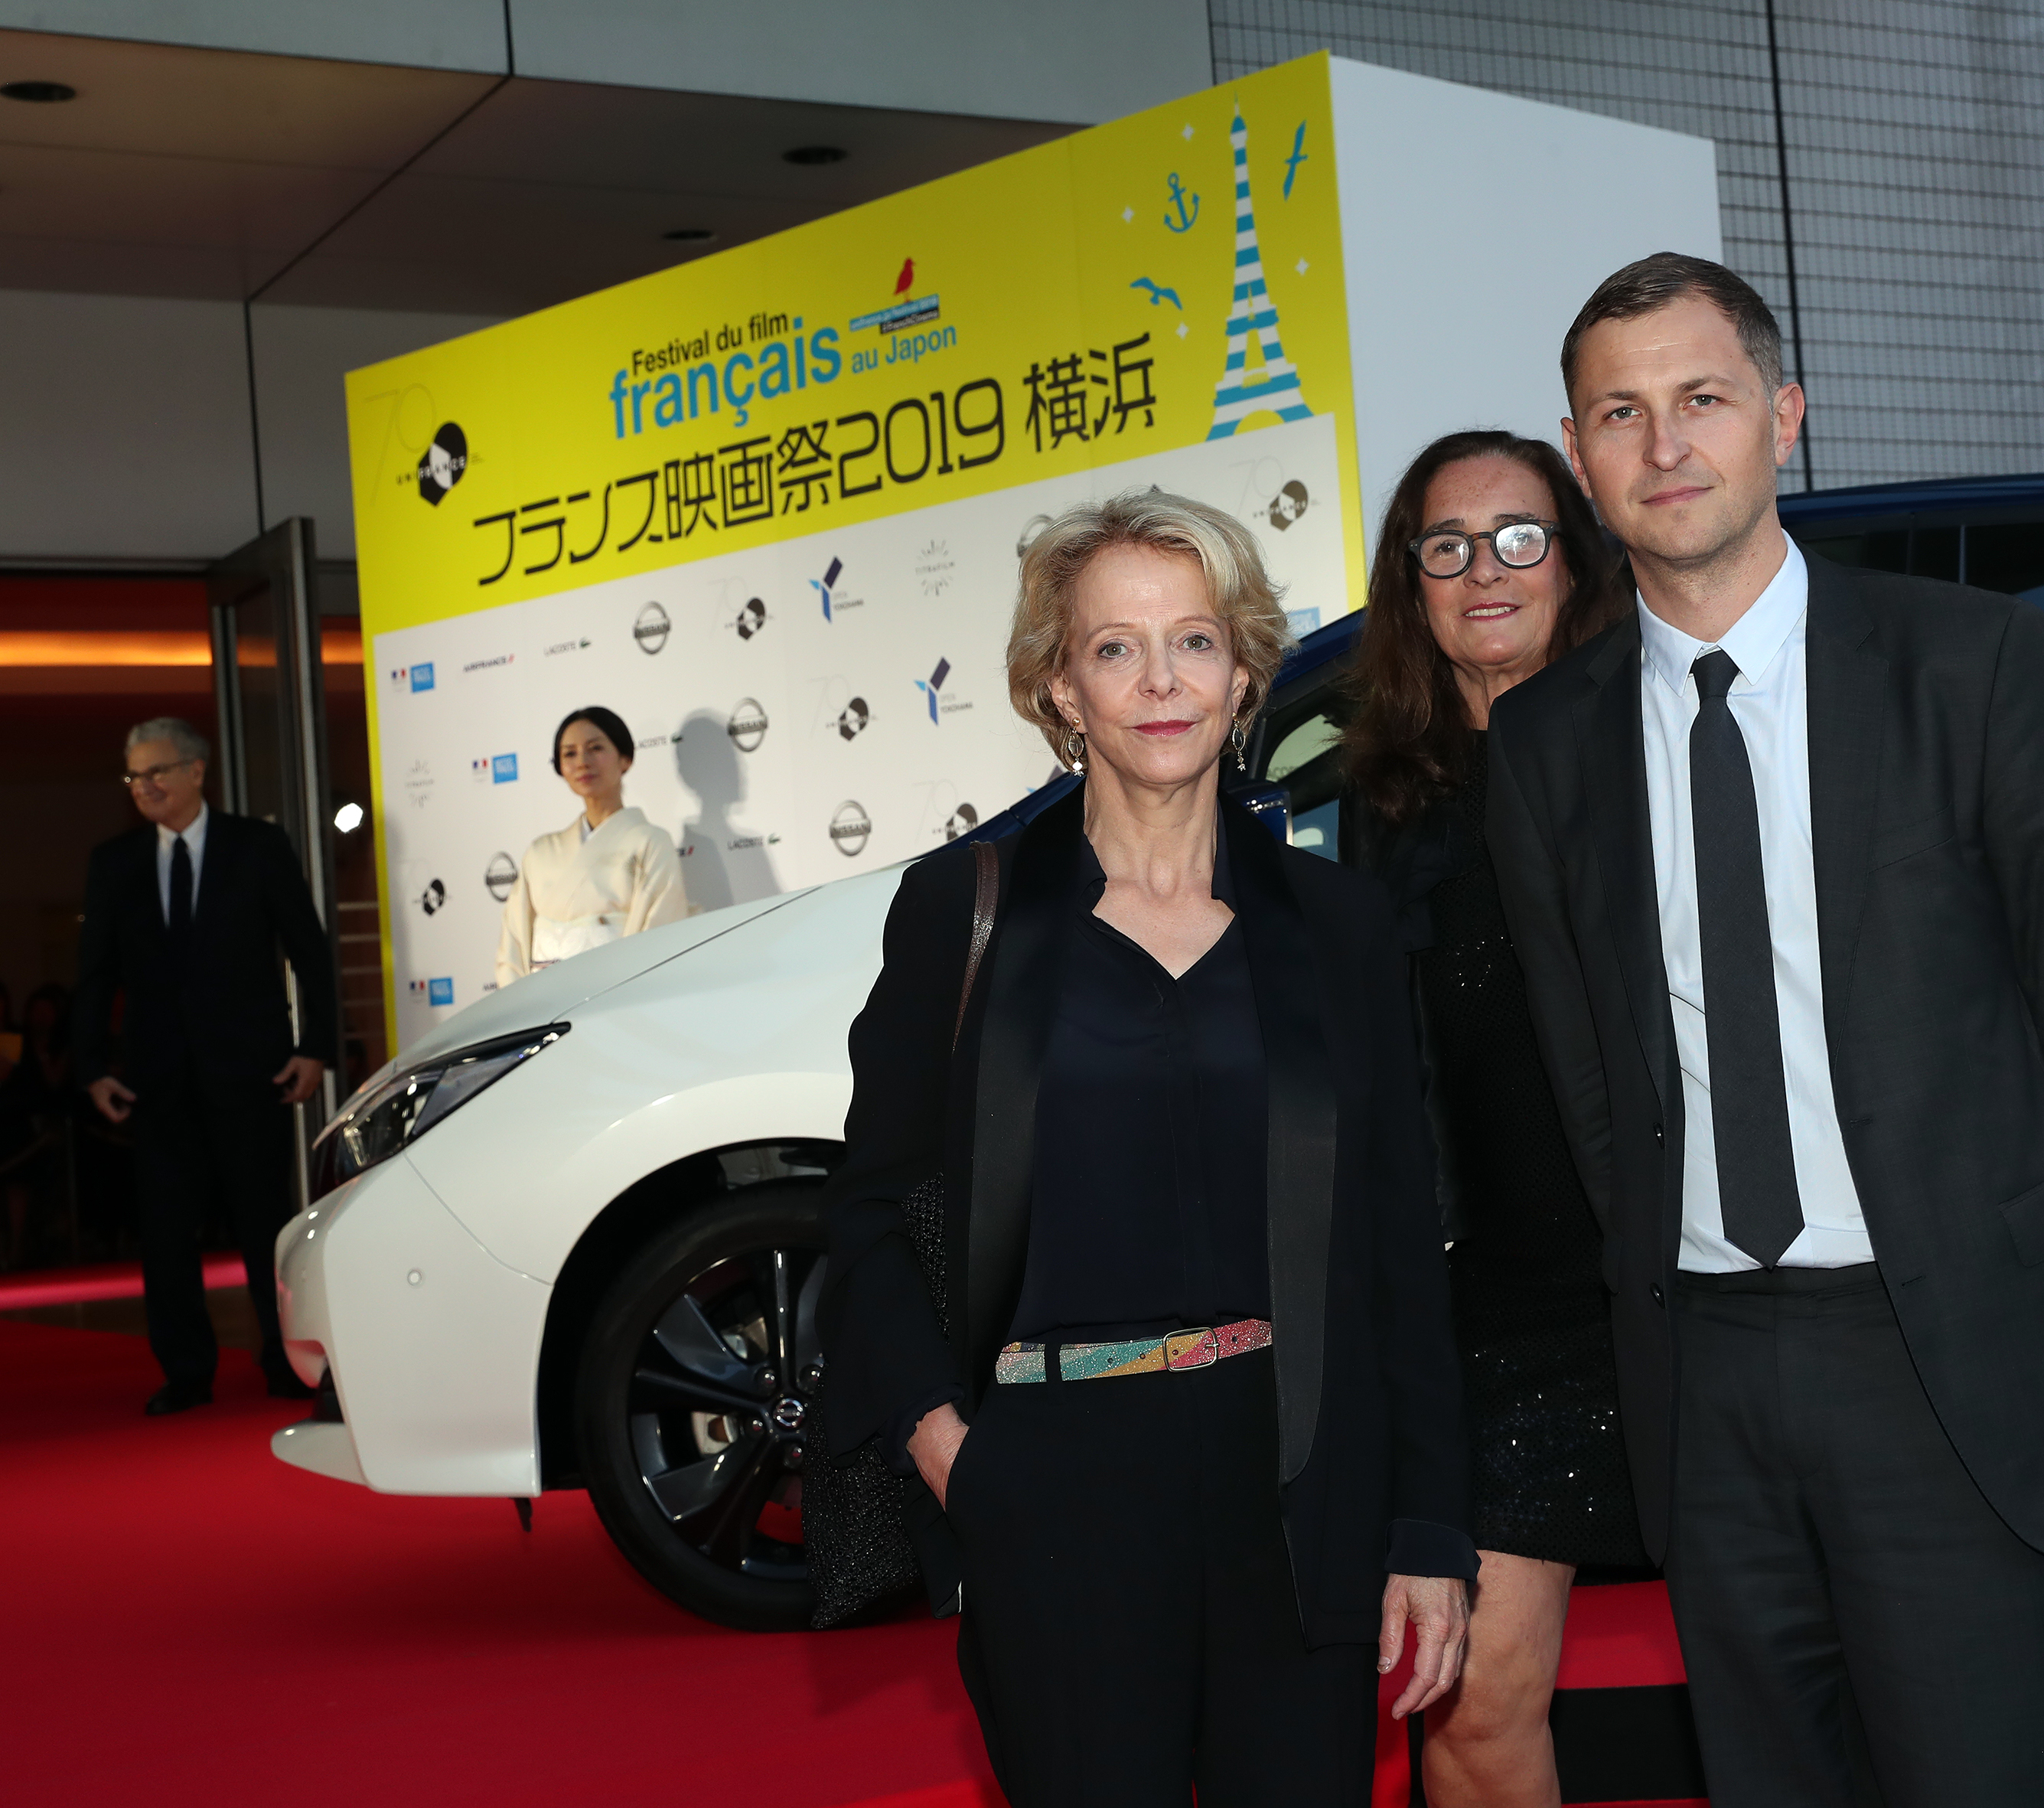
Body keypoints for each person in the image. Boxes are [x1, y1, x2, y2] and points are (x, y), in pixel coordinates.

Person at [1486, 253, 2044, 1806]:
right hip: (1709, 1384)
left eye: (1702, 398)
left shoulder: (1973, 664)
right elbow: (1591, 1074)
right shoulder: (1543, 742)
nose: (1664, 445)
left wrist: (2041, 1307)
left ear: (1782, 416)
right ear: (1582, 455)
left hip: (1948, 1369)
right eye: (1620, 413)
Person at [816, 491, 1478, 1807]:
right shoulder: (966, 912)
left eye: (1194, 641)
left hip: (1297, 1480)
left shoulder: (1335, 922)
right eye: (1114, 648)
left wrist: (1425, 1527)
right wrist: (955, 1450)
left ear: (1243, 672)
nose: (1159, 681)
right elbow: (871, 1211)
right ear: (1058, 687)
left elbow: (1401, 1241)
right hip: (1054, 1483)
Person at [1338, 431, 1629, 1806]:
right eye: (1444, 546)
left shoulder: (1662, 750)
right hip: (1495, 1327)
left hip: (1691, 1292)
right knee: (1465, 1698)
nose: (1483, 570)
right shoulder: (1381, 801)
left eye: (1518, 535)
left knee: (1816, 1675)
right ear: (1413, 585)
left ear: (1572, 563)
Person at [75, 717, 337, 1414]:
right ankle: (186, 1372)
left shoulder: (257, 847)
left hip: (252, 1073)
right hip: (154, 1082)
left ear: (197, 771)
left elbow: (309, 951)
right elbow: (94, 975)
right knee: (164, 1235)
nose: (144, 786)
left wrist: (316, 1047)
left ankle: (288, 1364)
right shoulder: (115, 862)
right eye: (134, 776)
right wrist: (92, 1066)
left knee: (265, 1228)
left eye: (157, 771)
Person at [494, 705, 686, 986]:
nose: (582, 762)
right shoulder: (540, 853)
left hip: (613, 1000)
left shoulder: (650, 843)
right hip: (541, 1008)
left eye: (595, 748)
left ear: (625, 758)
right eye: (569, 753)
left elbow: (658, 938)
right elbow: (513, 945)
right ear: (560, 767)